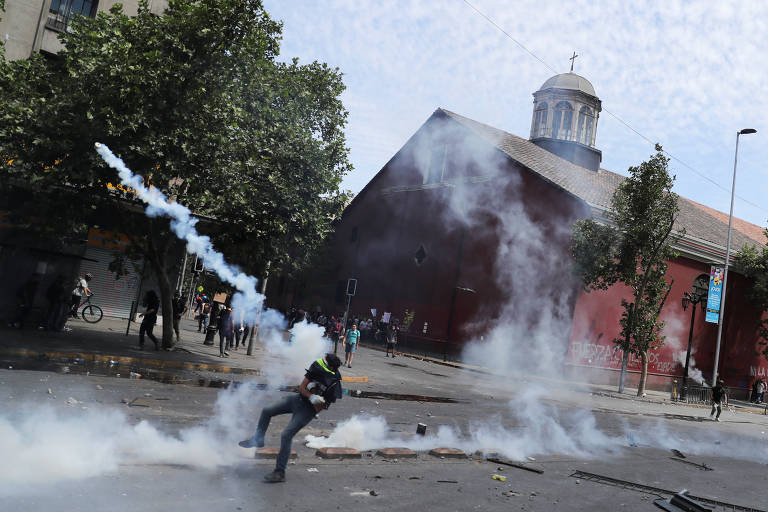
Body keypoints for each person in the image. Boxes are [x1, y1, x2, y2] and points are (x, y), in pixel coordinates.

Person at [239, 353, 343, 483]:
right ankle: (257, 439)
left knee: (286, 435)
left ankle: (280, 472)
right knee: (266, 411)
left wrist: (316, 409)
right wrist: (310, 396)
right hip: (297, 400)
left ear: (332, 368)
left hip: (307, 410)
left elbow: (326, 404)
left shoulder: (334, 384)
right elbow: (302, 387)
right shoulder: (316, 368)